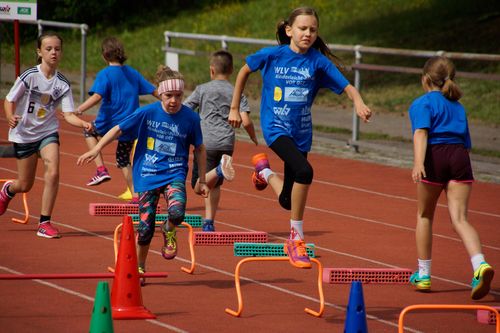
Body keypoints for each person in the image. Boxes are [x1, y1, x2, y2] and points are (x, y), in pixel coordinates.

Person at [228, 7, 372, 269]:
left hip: (302, 133)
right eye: (303, 28)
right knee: (305, 171)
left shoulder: (318, 62)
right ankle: (296, 238)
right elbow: (243, 71)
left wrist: (359, 102)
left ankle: (264, 173)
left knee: (286, 200)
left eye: (313, 30)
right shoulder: (273, 55)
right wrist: (235, 107)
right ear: (289, 30)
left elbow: (348, 87)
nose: (308, 34)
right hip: (276, 127)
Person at [77, 65, 234, 283]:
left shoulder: (190, 118)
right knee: (145, 227)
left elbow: (199, 148)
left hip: (174, 173)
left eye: (178, 96)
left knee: (178, 212)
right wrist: (96, 149)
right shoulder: (147, 112)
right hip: (147, 175)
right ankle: (140, 266)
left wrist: (202, 179)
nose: (173, 101)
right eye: (169, 95)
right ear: (160, 93)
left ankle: (169, 228)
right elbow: (118, 129)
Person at [408, 56, 494, 300]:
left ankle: (423, 274)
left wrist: (418, 162)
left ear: (425, 79)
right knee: (460, 218)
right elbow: (466, 144)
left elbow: (421, 133)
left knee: (424, 215)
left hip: (435, 156)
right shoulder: (458, 106)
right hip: (459, 157)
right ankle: (480, 265)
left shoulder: (422, 103)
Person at [0, 31, 92, 238]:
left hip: (47, 132)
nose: (53, 53)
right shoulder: (29, 77)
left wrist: (83, 124)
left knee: (53, 170)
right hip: (23, 134)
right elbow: (8, 100)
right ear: (39, 52)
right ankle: (8, 190)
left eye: (57, 49)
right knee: (25, 184)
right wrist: (9, 116)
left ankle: (44, 222)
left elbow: (68, 114)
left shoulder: (63, 84)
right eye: (49, 49)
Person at [75, 37, 158, 204]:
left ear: (104, 56)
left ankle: (101, 169)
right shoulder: (132, 73)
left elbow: (98, 96)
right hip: (130, 123)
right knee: (123, 159)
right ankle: (136, 196)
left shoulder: (104, 74)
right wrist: (168, 101)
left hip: (109, 121)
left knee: (88, 131)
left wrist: (79, 109)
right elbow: (154, 90)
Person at [183, 50, 258, 232]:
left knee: (196, 186)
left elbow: (184, 108)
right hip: (226, 143)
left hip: (206, 143)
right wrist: (253, 137)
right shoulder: (236, 92)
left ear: (211, 70)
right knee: (214, 184)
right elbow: (246, 121)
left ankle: (219, 170)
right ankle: (209, 222)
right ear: (232, 70)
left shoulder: (202, 89)